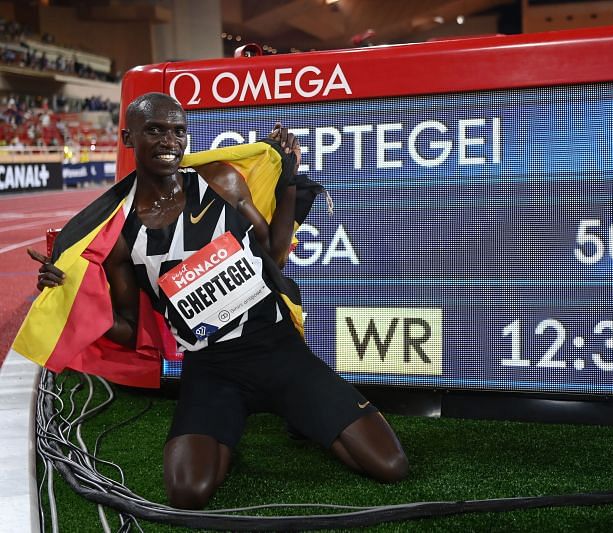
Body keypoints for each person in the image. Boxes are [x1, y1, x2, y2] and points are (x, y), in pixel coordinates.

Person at [28, 92, 408, 509]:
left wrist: (287, 181)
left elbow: (275, 255)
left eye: (178, 130)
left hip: (277, 349)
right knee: (188, 492)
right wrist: (67, 297)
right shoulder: (120, 233)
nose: (169, 141)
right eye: (154, 130)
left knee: (390, 466)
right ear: (128, 137)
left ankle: (301, 413)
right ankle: (290, 415)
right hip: (212, 370)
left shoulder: (220, 182)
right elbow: (129, 328)